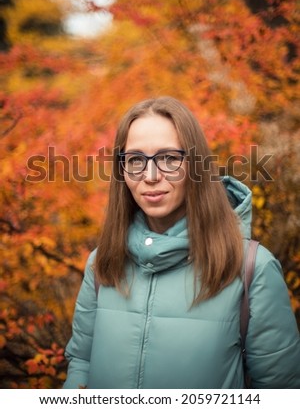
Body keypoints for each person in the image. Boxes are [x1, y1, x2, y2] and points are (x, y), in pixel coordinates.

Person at [63, 96, 300, 389]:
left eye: (169, 159)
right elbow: (82, 363)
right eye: (136, 160)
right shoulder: (102, 264)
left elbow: (280, 391)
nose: (150, 176)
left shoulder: (253, 269)